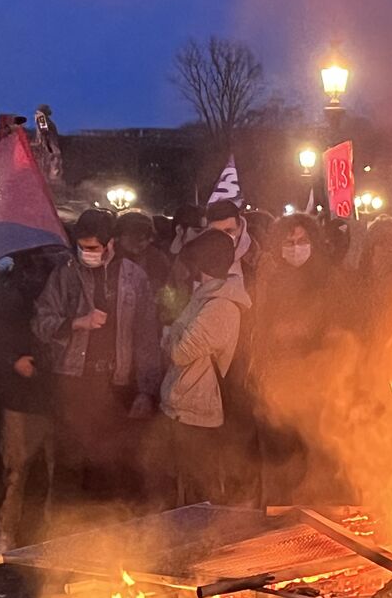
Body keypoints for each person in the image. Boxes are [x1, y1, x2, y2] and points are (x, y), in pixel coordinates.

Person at [32, 209, 160, 493]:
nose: (86, 253)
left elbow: (147, 336)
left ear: (111, 243)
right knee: (74, 462)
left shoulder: (133, 278)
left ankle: (113, 526)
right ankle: (73, 526)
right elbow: (41, 323)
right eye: (82, 247)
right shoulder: (65, 274)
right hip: (75, 381)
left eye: (93, 248)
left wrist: (146, 390)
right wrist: (77, 322)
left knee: (115, 463)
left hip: (119, 384)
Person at [251, 214, 341, 503]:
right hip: (278, 388)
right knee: (280, 460)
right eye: (289, 242)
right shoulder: (273, 281)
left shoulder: (330, 281)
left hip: (319, 388)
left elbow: (342, 334)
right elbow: (261, 329)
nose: (295, 247)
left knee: (317, 460)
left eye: (302, 241)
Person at [159, 230, 250, 506]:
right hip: (185, 406)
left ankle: (204, 545)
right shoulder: (206, 297)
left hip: (199, 410)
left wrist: (170, 330)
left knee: (199, 494)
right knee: (185, 488)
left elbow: (179, 351)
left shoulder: (220, 305)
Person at [0, 251, 58, 553]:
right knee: (16, 470)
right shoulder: (12, 294)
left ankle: (52, 533)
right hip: (23, 396)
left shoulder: (63, 283)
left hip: (55, 394)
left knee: (53, 474)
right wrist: (13, 361)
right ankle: (5, 534)